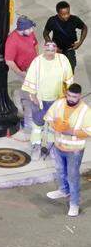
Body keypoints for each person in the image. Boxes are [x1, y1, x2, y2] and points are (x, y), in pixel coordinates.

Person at [45, 83, 91, 217]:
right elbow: (48, 117)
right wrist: (56, 125)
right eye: (69, 95)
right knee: (60, 171)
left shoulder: (85, 111)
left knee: (72, 177)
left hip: (74, 150)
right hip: (59, 146)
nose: (71, 99)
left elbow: (88, 132)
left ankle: (74, 204)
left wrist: (68, 130)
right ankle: (63, 190)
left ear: (80, 96)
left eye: (74, 97)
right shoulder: (59, 104)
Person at [23, 40, 75, 158]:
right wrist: (33, 95)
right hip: (40, 99)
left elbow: (69, 79)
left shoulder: (63, 60)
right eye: (48, 50)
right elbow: (30, 78)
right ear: (43, 49)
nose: (50, 53)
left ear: (56, 50)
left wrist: (67, 95)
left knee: (53, 124)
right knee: (38, 123)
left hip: (57, 99)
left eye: (53, 50)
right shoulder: (37, 62)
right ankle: (36, 145)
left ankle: (50, 145)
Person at [45, 1, 87, 71]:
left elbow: (84, 28)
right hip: (56, 49)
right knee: (56, 69)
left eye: (68, 13)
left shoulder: (74, 19)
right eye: (63, 14)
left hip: (69, 49)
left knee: (70, 68)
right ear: (58, 13)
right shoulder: (52, 21)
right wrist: (51, 45)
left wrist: (80, 42)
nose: (66, 16)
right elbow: (45, 34)